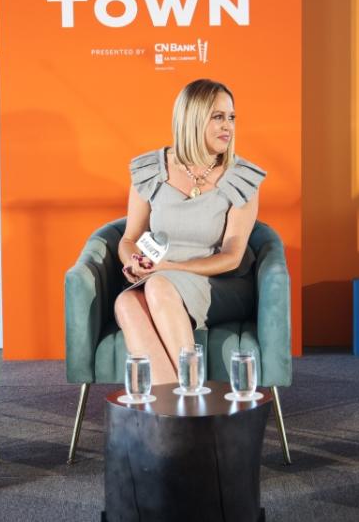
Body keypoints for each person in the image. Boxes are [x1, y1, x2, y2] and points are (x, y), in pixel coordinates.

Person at [114, 79, 266, 383]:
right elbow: (130, 238)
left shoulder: (241, 176)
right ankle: (173, 408)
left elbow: (233, 256)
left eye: (231, 117)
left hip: (218, 283)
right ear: (192, 119)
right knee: (126, 301)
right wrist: (135, 262)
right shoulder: (151, 170)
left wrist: (168, 269)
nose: (229, 127)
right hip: (159, 277)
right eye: (218, 117)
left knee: (158, 286)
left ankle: (191, 396)